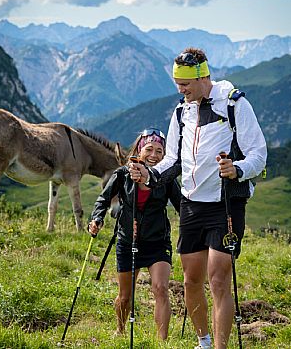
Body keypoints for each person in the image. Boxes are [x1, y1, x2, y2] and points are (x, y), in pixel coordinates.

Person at [129, 48, 267, 349]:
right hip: (192, 206)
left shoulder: (234, 104)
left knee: (218, 279)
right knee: (191, 281)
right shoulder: (182, 111)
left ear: (203, 76)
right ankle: (203, 341)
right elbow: (172, 160)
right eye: (177, 83)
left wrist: (237, 168)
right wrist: (148, 175)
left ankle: (219, 347)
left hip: (225, 203)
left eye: (185, 84)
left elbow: (259, 154)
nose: (180, 89)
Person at [88, 128, 182, 340]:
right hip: (127, 241)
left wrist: (196, 226)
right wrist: (97, 218)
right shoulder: (122, 174)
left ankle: (162, 341)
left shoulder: (166, 178)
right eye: (149, 149)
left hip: (157, 242)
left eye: (159, 151)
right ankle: (120, 330)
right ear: (139, 150)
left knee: (160, 288)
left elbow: (182, 206)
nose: (154, 155)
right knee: (124, 297)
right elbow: (103, 199)